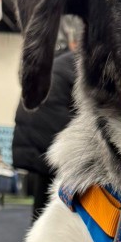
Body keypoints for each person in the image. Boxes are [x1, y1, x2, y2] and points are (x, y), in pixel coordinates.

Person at [12, 15, 80, 220]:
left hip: (36, 138)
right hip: (50, 137)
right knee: (56, 203)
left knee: (43, 201)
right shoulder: (78, 63)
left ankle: (39, 234)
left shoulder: (57, 63)